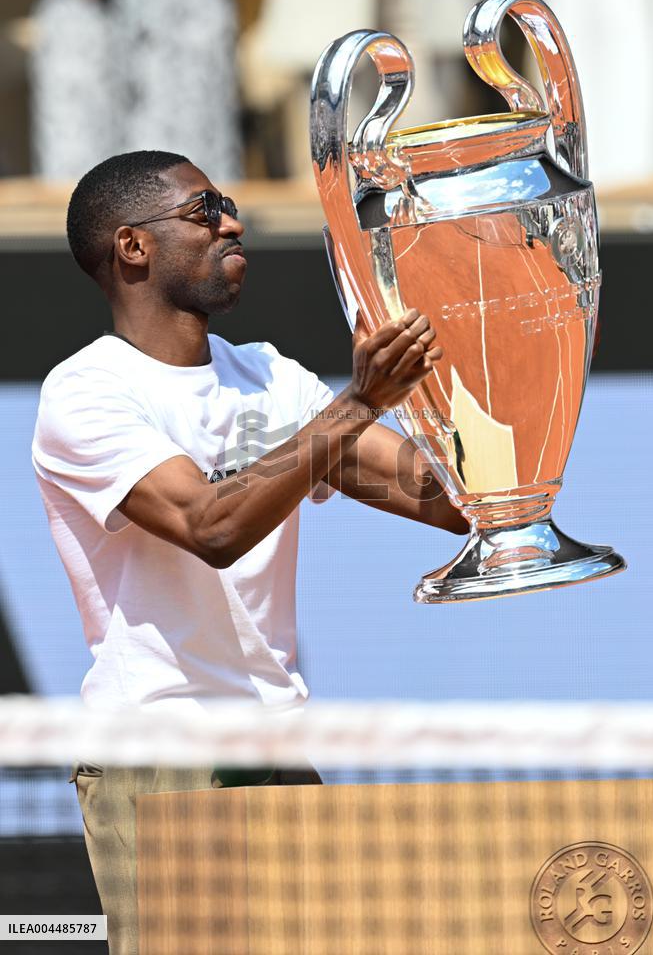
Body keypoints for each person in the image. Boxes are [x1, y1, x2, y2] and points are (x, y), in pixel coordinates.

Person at [31, 149, 467, 955]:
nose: (234, 221)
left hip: (275, 747)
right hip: (158, 758)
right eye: (204, 210)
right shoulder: (85, 394)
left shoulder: (269, 380)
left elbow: (444, 499)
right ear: (133, 246)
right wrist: (362, 401)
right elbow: (212, 529)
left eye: (229, 203)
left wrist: (508, 378)